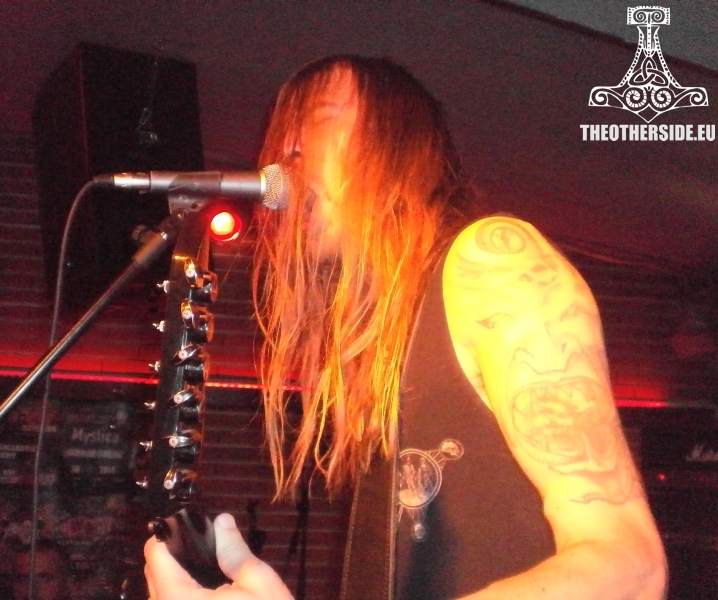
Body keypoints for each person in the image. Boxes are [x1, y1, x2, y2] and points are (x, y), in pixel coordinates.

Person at [144, 55, 667, 599]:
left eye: (318, 120)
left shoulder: (494, 260)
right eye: (283, 139)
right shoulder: (375, 346)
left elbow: (629, 566)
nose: (288, 153)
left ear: (397, 144)